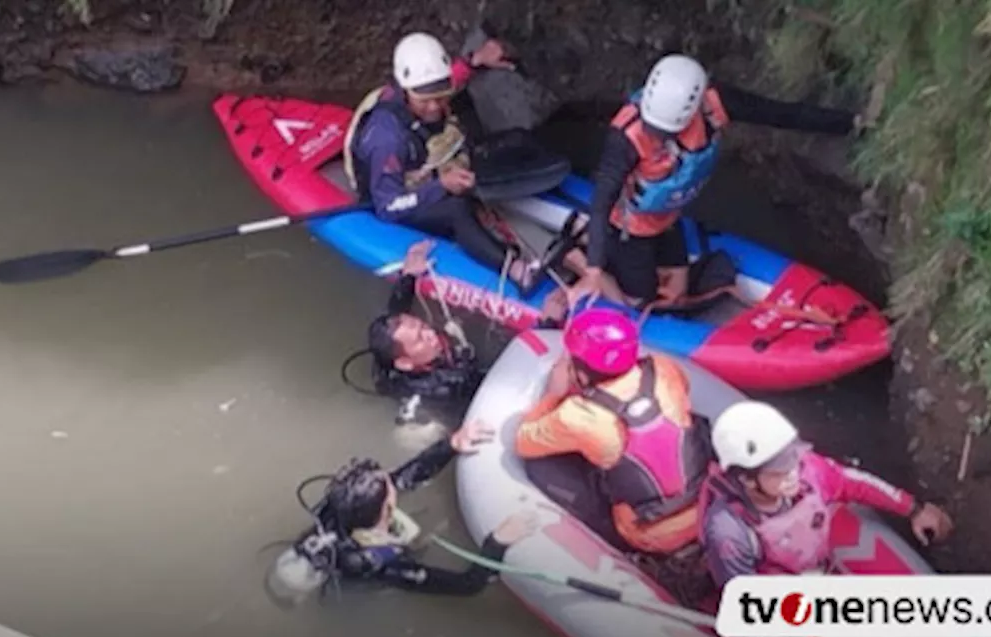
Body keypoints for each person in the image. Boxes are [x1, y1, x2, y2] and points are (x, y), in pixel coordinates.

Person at [568, 54, 862, 311]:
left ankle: (603, 259)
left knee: (676, 292)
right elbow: (602, 201)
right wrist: (593, 270)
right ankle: (578, 258)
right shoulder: (626, 138)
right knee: (636, 302)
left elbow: (780, 113)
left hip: (668, 218)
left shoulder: (715, 105)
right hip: (628, 229)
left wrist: (850, 123)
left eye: (663, 131)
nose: (654, 135)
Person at [345, 32, 564, 293]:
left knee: (517, 139)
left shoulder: (429, 88)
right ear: (406, 91)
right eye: (425, 100)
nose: (435, 107)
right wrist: (441, 187)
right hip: (400, 195)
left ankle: (561, 205)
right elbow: (387, 205)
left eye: (441, 96)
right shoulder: (386, 139)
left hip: (432, 167)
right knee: (456, 209)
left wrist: (477, 60)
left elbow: (451, 79)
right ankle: (515, 269)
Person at [513, 308, 713, 562]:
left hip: (646, 533)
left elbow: (523, 441)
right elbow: (684, 391)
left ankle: (622, 551)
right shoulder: (664, 369)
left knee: (541, 466)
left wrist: (554, 393)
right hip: (705, 500)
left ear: (582, 374)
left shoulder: (578, 415)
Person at [700, 400, 955, 587]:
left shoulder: (806, 470)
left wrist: (914, 509)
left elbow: (856, 483)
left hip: (817, 569)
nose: (793, 473)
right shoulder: (728, 530)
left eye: (793, 460)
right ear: (747, 479)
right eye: (778, 470)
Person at [277, 418, 539, 598]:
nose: (394, 482)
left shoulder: (341, 507)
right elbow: (467, 586)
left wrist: (451, 444)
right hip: (357, 580)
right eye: (389, 487)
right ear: (387, 509)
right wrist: (497, 542)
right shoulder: (382, 566)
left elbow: (405, 477)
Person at [366, 238, 569, 423]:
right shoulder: (450, 385)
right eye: (420, 339)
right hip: (454, 408)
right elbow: (508, 373)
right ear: (405, 363)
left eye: (421, 326)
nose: (429, 333)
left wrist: (408, 276)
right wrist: (546, 323)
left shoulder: (392, 354)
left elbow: (396, 313)